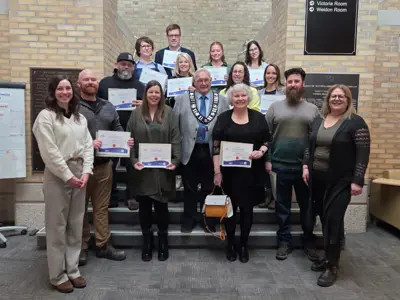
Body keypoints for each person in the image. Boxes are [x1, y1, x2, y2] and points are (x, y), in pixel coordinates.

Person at [302, 84, 370, 287]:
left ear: (348, 100)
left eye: (341, 96)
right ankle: (329, 257)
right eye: (334, 96)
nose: (337, 99)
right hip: (317, 180)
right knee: (325, 219)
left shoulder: (355, 123)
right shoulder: (318, 120)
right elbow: (308, 145)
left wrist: (358, 180)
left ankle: (332, 267)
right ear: (328, 99)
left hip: (341, 181)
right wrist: (305, 166)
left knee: (333, 220)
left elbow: (362, 154)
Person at [32, 75, 94, 293]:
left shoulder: (79, 118)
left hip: (80, 173)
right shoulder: (46, 117)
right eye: (60, 88)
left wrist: (86, 171)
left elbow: (88, 145)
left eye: (68, 88)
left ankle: (73, 270)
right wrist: (69, 176)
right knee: (57, 226)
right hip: (58, 174)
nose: (65, 92)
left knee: (76, 224)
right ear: (53, 92)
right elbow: (49, 152)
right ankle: (57, 275)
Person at [77, 69, 133, 266]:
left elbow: (117, 127)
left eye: (93, 79)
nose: (91, 82)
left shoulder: (108, 106)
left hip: (104, 165)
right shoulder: (72, 107)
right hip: (80, 166)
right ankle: (81, 247)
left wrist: (125, 140)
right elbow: (67, 135)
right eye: (86, 80)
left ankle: (102, 245)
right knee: (80, 209)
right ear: (79, 84)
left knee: (101, 208)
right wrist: (87, 144)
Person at [266, 67, 320, 262]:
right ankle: (284, 242)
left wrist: (309, 164)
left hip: (304, 168)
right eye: (290, 82)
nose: (293, 85)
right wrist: (268, 160)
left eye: (296, 81)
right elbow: (267, 138)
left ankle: (308, 241)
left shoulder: (313, 110)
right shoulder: (275, 108)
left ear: (302, 84)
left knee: (307, 207)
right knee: (282, 207)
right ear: (285, 84)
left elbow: (316, 140)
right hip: (279, 166)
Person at [213, 83, 270, 263]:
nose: (240, 99)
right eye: (236, 96)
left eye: (243, 96)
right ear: (231, 99)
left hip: (252, 174)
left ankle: (243, 245)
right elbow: (215, 148)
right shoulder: (223, 119)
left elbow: (267, 141)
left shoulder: (259, 118)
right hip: (229, 174)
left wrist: (261, 151)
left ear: (248, 98)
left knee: (247, 211)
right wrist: (217, 172)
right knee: (230, 211)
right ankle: (230, 244)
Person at [127, 80, 180, 262]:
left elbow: (176, 137)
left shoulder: (169, 113)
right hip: (142, 170)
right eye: (151, 92)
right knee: (144, 208)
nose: (154, 95)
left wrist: (175, 160)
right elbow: (130, 140)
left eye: (157, 92)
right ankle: (147, 242)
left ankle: (163, 242)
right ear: (146, 93)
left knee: (161, 207)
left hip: (163, 169)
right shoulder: (135, 115)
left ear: (161, 94)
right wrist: (133, 160)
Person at [174, 69, 229, 233]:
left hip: (213, 151)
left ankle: (209, 221)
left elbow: (225, 126)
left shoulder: (222, 100)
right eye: (199, 80)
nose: (203, 83)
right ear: (194, 82)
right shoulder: (182, 99)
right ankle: (189, 219)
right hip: (189, 150)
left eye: (206, 80)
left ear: (211, 81)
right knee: (189, 187)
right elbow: (176, 127)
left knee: (210, 187)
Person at [97, 52, 145, 210]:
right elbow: (96, 103)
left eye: (129, 64)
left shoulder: (140, 86)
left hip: (133, 131)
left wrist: (142, 105)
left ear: (133, 67)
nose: (126, 66)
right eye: (123, 63)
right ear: (116, 65)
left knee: (133, 165)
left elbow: (149, 107)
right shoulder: (104, 83)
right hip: (110, 131)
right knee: (110, 165)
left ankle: (132, 196)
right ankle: (112, 195)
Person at [257, 63, 285, 209]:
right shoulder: (259, 93)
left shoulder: (283, 94)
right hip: (262, 131)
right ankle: (267, 195)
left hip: (277, 132)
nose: (271, 76)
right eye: (268, 73)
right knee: (263, 165)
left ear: (277, 75)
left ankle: (276, 196)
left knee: (275, 165)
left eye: (274, 73)